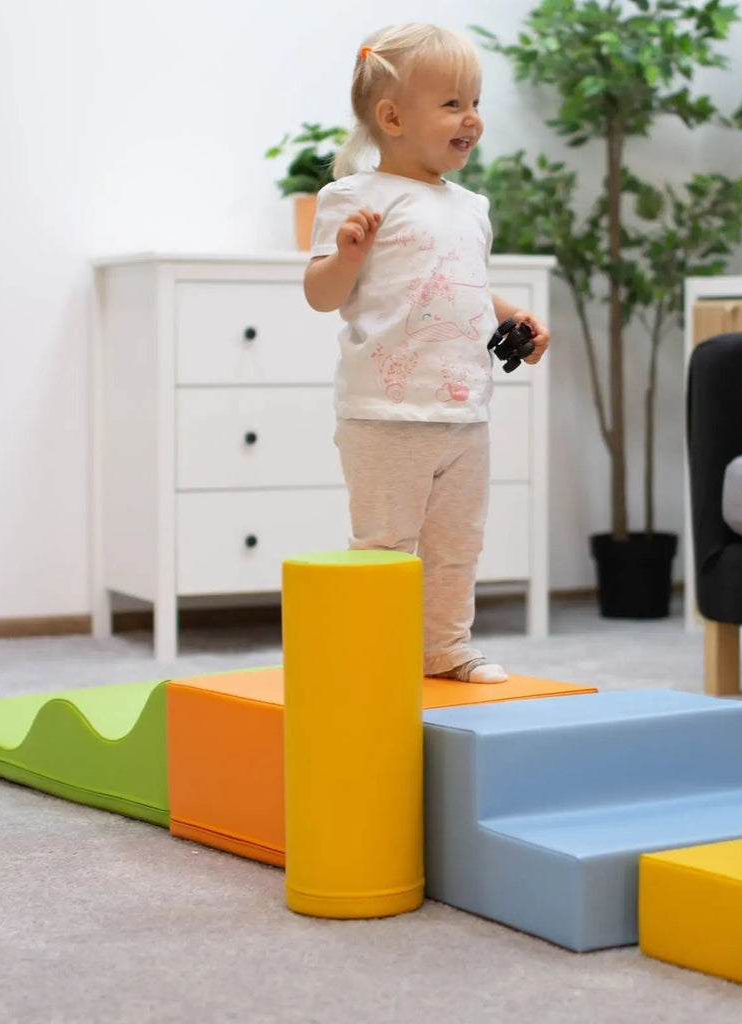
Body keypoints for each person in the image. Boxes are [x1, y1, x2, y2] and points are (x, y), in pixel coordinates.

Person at [303, 23, 550, 683]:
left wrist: (513, 316)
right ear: (391, 118)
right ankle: (376, 659)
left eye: (475, 102)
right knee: (385, 547)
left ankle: (444, 648)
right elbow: (321, 295)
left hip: (464, 412)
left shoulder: (471, 207)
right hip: (385, 413)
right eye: (452, 103)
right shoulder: (354, 199)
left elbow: (459, 284)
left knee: (456, 545)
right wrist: (347, 255)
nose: (471, 118)